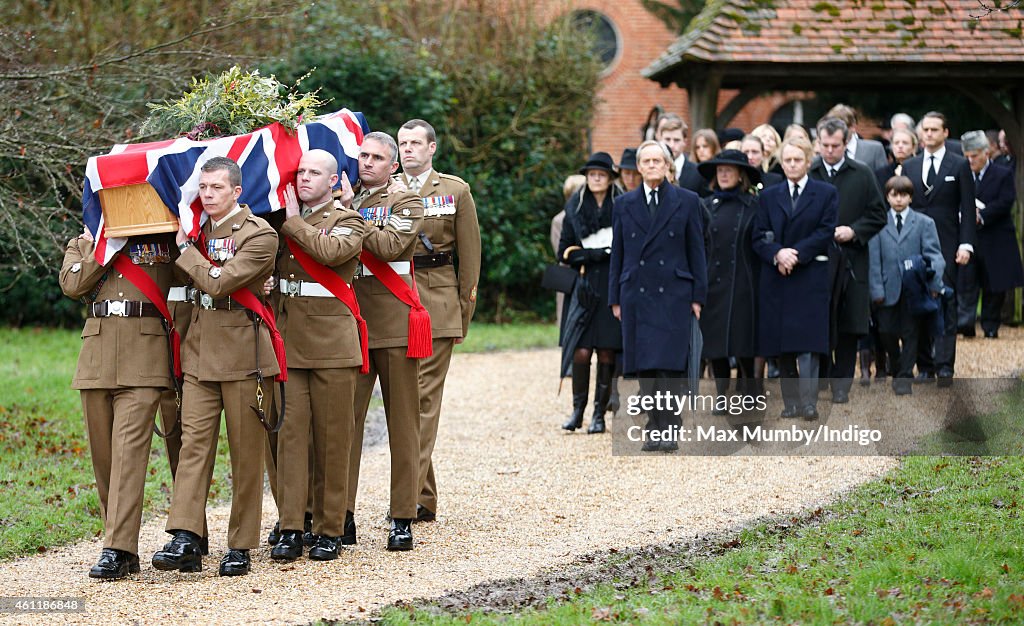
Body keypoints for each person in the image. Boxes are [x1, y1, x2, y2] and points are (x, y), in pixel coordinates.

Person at [153, 156, 279, 577]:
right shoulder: (196, 230)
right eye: (203, 187)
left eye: (216, 188)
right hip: (200, 353)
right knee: (193, 448)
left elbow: (220, 283)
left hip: (244, 356)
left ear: (237, 192)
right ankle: (186, 536)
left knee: (246, 455)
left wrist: (187, 251)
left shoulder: (259, 234)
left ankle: (241, 545)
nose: (207, 194)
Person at [59, 229, 179, 579]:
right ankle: (123, 548)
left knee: (128, 453)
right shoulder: (83, 243)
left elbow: (189, 277)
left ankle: (116, 547)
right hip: (96, 357)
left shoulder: (161, 240)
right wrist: (105, 249)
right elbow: (71, 284)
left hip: (144, 354)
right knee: (104, 459)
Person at [267, 149, 366, 562]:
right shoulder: (277, 222)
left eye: (314, 173)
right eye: (301, 171)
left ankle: (329, 528)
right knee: (290, 439)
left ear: (334, 180)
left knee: (332, 438)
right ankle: (292, 525)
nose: (305, 178)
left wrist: (292, 224)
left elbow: (330, 254)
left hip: (331, 345)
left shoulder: (350, 220)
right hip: (291, 342)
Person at [345, 131, 426, 551]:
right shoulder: (346, 199)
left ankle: (402, 516)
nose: (368, 163)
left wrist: (349, 214)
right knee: (345, 425)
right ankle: (341, 514)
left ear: (393, 165)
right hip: (353, 325)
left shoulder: (406, 201)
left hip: (394, 323)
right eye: (363, 155)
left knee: (402, 424)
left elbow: (391, 243)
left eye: (377, 157)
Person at [397, 119, 482, 523]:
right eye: (402, 143)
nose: (407, 149)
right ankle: (423, 494)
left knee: (422, 401)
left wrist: (462, 313)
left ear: (432, 148)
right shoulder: (386, 190)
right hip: (395, 301)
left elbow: (470, 257)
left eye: (415, 143)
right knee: (407, 401)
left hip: (438, 300)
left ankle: (408, 496)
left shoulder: (454, 190)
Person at [609, 140, 707, 451]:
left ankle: (670, 425)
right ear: (638, 168)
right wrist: (614, 297)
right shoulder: (623, 204)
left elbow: (697, 251)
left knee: (670, 363)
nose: (652, 166)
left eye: (657, 161)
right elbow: (619, 254)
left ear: (668, 166)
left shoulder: (688, 201)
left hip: (675, 291)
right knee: (646, 364)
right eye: (646, 161)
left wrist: (698, 296)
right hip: (636, 291)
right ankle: (654, 425)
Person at [752, 137, 838, 420]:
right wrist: (778, 254)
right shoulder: (768, 196)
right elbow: (758, 235)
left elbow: (825, 232)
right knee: (782, 341)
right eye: (787, 160)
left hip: (809, 274)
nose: (791, 165)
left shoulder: (825, 193)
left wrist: (796, 254)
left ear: (808, 162)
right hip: (777, 276)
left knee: (809, 342)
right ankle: (790, 403)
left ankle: (809, 402)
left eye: (797, 160)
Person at [809, 117, 887, 404]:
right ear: (818, 143)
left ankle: (842, 383)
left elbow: (879, 214)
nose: (829, 151)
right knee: (818, 319)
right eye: (825, 145)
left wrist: (855, 230)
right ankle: (821, 377)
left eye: (835, 146)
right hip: (816, 258)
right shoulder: (810, 172)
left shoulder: (863, 173)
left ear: (845, 143)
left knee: (849, 322)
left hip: (852, 258)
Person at [901, 111, 976, 386]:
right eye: (926, 129)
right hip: (914, 244)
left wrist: (966, 244)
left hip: (947, 243)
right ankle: (925, 365)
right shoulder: (910, 166)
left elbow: (967, 207)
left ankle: (945, 365)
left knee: (945, 303)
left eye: (935, 129)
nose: (929, 134)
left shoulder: (959, 165)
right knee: (917, 304)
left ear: (946, 133)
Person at [559, 152, 623, 434]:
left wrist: (603, 255)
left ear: (610, 178)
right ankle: (577, 411)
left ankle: (599, 414)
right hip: (585, 288)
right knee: (581, 351)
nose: (596, 178)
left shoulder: (621, 205)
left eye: (601, 174)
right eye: (591, 173)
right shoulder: (575, 205)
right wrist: (591, 254)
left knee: (608, 352)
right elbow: (564, 251)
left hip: (612, 286)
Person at [696, 149, 763, 410]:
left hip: (744, 282)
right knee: (715, 343)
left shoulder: (753, 205)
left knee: (743, 341)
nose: (723, 174)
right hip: (712, 281)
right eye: (720, 170)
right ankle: (722, 394)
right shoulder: (706, 205)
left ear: (740, 174)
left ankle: (748, 391)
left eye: (729, 170)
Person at [868, 176, 945, 395]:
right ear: (887, 196)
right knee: (887, 331)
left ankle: (903, 377)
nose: (899, 199)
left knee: (911, 332)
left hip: (915, 288)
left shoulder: (924, 223)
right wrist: (876, 289)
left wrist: (934, 283)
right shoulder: (879, 223)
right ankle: (898, 362)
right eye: (894, 195)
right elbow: (874, 260)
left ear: (911, 197)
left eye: (903, 195)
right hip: (887, 287)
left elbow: (935, 255)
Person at [957, 131, 1023, 338]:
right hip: (969, 237)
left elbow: (1006, 201)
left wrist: (981, 215)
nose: (970, 160)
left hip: (996, 237)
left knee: (994, 285)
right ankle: (965, 323)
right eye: (967, 156)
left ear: (986, 153)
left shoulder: (1002, 173)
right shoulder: (962, 173)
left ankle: (990, 325)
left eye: (974, 155)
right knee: (967, 282)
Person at [826, 103, 888, 171]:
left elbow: (882, 179)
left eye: (840, 128)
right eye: (833, 128)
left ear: (853, 127)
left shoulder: (874, 150)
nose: (836, 132)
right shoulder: (826, 150)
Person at [656, 114, 704, 193]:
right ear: (660, 139)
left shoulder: (698, 172)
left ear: (685, 141)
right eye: (667, 139)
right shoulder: (651, 168)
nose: (671, 145)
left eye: (676, 140)